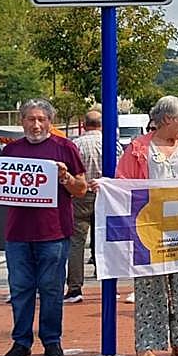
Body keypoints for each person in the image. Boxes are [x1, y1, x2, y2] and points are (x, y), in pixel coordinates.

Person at [115, 95, 178, 356]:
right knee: (149, 286)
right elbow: (123, 182)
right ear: (167, 119)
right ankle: (147, 343)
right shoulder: (138, 148)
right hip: (149, 229)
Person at [0, 99, 87, 356]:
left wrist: (65, 178)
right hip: (18, 233)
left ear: (50, 121)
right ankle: (21, 341)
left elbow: (81, 188)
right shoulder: (10, 151)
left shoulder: (65, 148)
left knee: (51, 289)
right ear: (21, 121)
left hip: (53, 232)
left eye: (41, 119)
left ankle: (51, 341)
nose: (36, 124)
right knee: (20, 289)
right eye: (30, 119)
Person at [66, 109, 115, 304]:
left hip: (80, 194)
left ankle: (75, 287)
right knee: (104, 239)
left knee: (77, 242)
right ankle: (108, 283)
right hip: (105, 194)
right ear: (101, 125)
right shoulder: (110, 143)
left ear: (84, 124)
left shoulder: (75, 144)